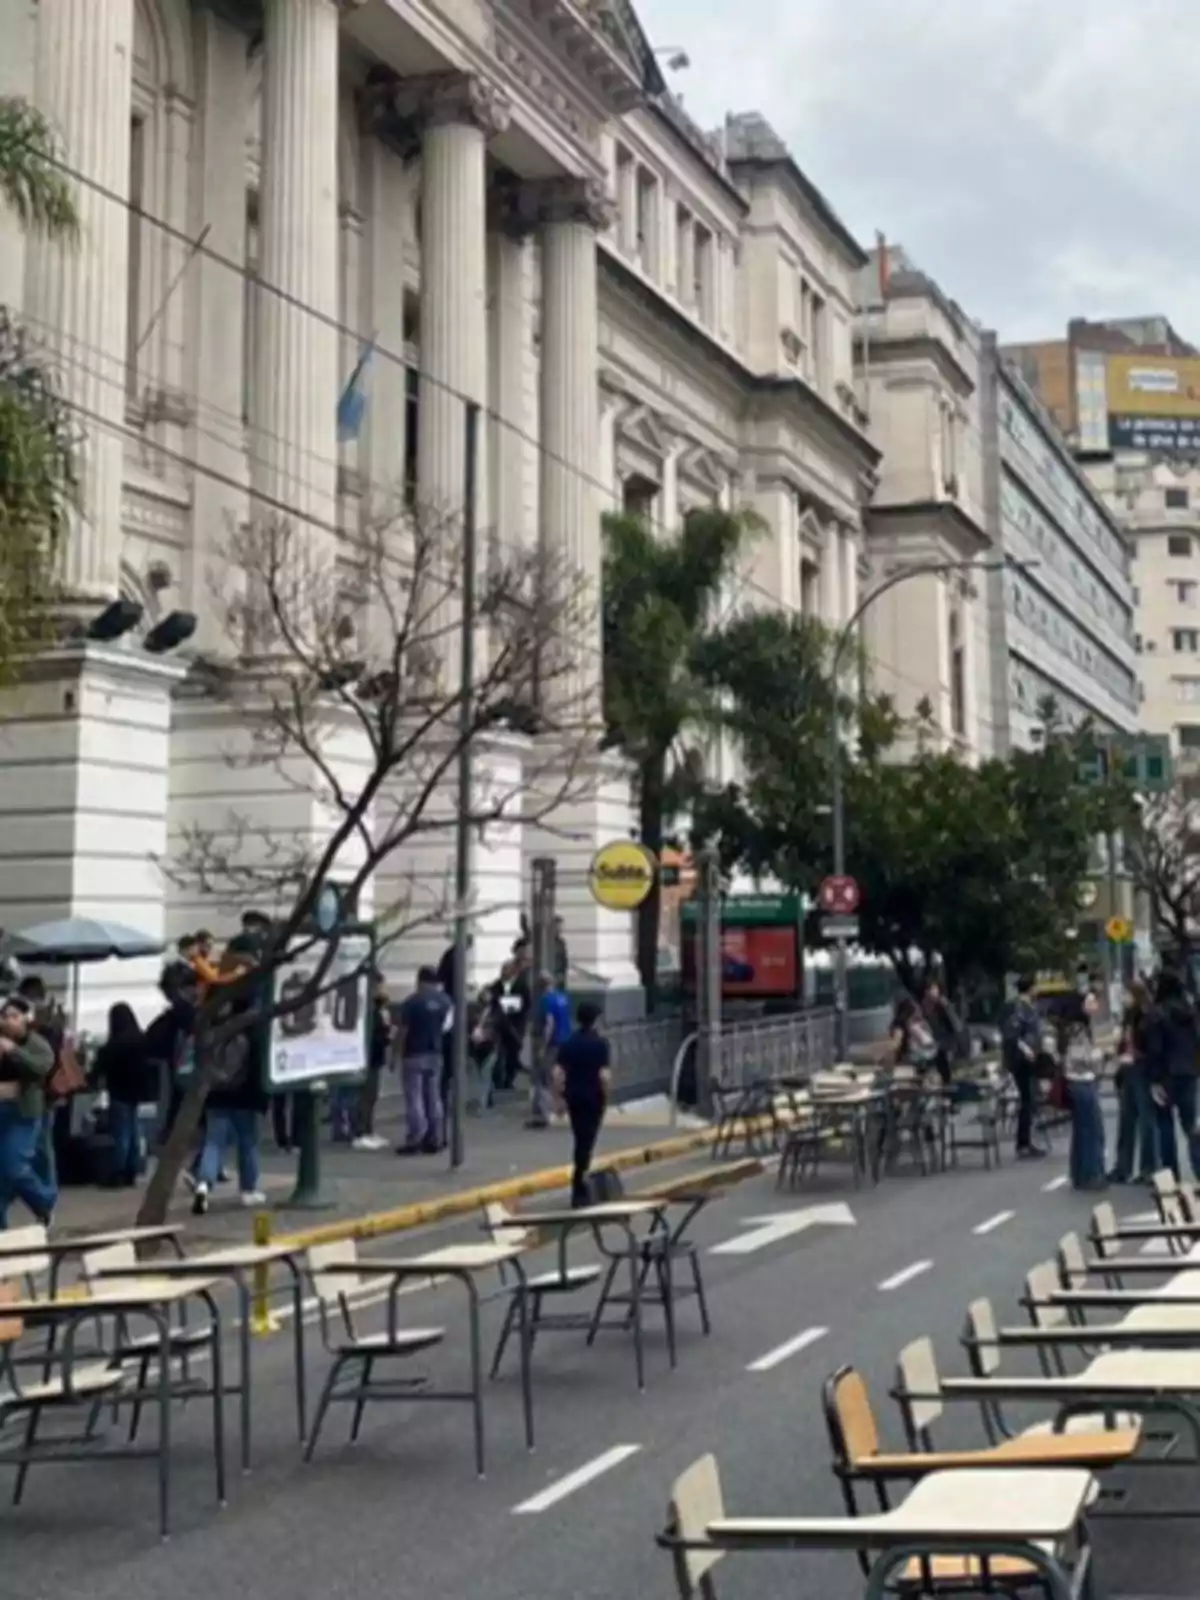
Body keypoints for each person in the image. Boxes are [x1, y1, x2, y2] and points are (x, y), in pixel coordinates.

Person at [0, 995, 57, 1227]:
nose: (8, 1021)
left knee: (12, 1164)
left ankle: (43, 1201)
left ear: (25, 1018)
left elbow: (41, 1067)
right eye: (5, 1016)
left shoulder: (35, 1043)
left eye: (14, 1016)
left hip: (23, 1114)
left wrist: (13, 1051)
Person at [552, 1002, 611, 1207]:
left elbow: (558, 1074)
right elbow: (604, 1076)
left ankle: (581, 1181)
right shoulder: (601, 1044)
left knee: (580, 1137)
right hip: (593, 1098)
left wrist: (558, 1099)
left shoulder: (568, 1044)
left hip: (574, 1097)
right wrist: (607, 1097)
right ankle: (579, 1185)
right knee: (587, 1141)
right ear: (595, 1021)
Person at [1145, 968, 1200, 1182]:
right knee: (1190, 1126)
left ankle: (1171, 1173)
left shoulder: (1157, 1014)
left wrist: (1154, 1079)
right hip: (1189, 1074)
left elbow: (1155, 1050)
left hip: (1166, 1075)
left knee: (1165, 1125)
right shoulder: (1189, 1013)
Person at [93, 1002, 156, 1187]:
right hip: (138, 1092)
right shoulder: (141, 1040)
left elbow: (99, 1069)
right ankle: (132, 1170)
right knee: (136, 1132)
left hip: (118, 1092)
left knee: (121, 1133)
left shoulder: (112, 1045)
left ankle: (117, 1172)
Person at [395, 966, 451, 1155]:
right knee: (433, 1097)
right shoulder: (445, 1002)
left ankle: (416, 1136)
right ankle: (435, 1136)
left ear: (419, 980)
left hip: (413, 1054)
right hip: (435, 1053)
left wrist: (396, 1054)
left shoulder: (411, 1002)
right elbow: (447, 1027)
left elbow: (403, 1031)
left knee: (415, 1097)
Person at [1109, 978, 1157, 1184]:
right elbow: (1124, 1043)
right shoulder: (1128, 1017)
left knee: (1146, 1121)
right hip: (1128, 1070)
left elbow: (1152, 1048)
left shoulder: (1147, 1017)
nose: (1123, 999)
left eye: (1126, 995)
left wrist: (1135, 1056)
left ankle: (1148, 1168)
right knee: (1126, 1119)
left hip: (1142, 1070)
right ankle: (1123, 1167)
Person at [1059, 988, 1106, 1191]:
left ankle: (1079, 1173)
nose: (1095, 1005)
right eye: (1091, 1002)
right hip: (1082, 1081)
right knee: (1092, 1130)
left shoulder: (1071, 1028)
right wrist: (1100, 1055)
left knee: (1081, 1131)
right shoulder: (1078, 1030)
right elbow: (1081, 1058)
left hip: (1075, 1082)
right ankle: (1091, 1173)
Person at [1002, 975, 1045, 1159]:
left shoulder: (1028, 1007)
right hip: (1021, 1061)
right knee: (1026, 1101)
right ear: (1030, 988)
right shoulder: (1020, 1008)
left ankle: (1026, 1141)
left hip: (1028, 1058)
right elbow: (1014, 1033)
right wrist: (1026, 1050)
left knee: (1030, 1100)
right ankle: (1023, 1143)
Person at [350, 976, 393, 1151]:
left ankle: (367, 1130)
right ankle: (360, 1131)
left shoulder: (377, 1009)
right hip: (369, 1057)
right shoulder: (370, 1010)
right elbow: (373, 1035)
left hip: (374, 1057)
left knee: (371, 1095)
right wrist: (386, 1035)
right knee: (365, 1096)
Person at [528, 971, 571, 1129]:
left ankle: (544, 1112)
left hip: (552, 1043)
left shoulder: (546, 1000)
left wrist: (542, 1046)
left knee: (543, 1076)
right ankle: (562, 1108)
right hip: (565, 1041)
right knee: (560, 1076)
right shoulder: (563, 998)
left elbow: (549, 1023)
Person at [922, 981, 962, 1085]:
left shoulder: (942, 1003)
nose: (933, 992)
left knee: (945, 1063)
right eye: (930, 990)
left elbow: (954, 1023)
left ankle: (949, 1084)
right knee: (939, 1063)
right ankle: (945, 1084)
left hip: (947, 1039)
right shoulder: (927, 1005)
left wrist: (954, 1037)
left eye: (934, 989)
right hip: (939, 1040)